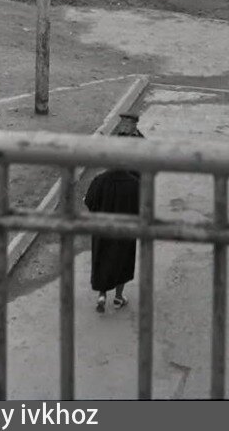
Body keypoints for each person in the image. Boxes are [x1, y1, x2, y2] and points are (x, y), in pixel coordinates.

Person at [84, 113, 143, 312]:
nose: (124, 125)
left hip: (103, 227)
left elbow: (89, 202)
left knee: (102, 258)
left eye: (128, 122)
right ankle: (118, 297)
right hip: (126, 227)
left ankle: (102, 296)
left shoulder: (100, 181)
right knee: (123, 261)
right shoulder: (135, 184)